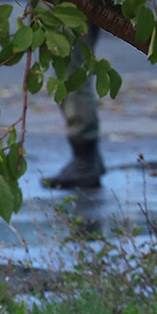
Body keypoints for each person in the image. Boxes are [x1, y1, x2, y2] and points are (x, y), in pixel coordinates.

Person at [43, 25, 105, 190]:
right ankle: (90, 160)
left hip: (70, 6)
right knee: (75, 70)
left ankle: (85, 162)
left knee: (71, 77)